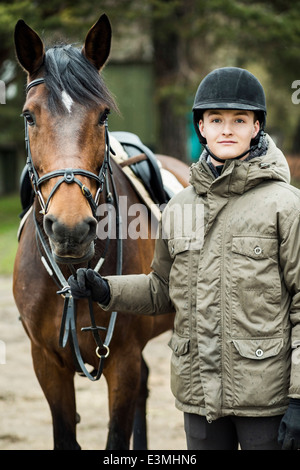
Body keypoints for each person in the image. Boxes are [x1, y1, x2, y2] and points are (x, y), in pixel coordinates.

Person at [69, 67, 300, 450]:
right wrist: (105, 289)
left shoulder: (286, 207)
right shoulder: (179, 209)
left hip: (268, 402)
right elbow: (162, 289)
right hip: (199, 399)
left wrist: (298, 398)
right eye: (216, 120)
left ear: (256, 127)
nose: (227, 129)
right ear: (202, 129)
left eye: (239, 120)